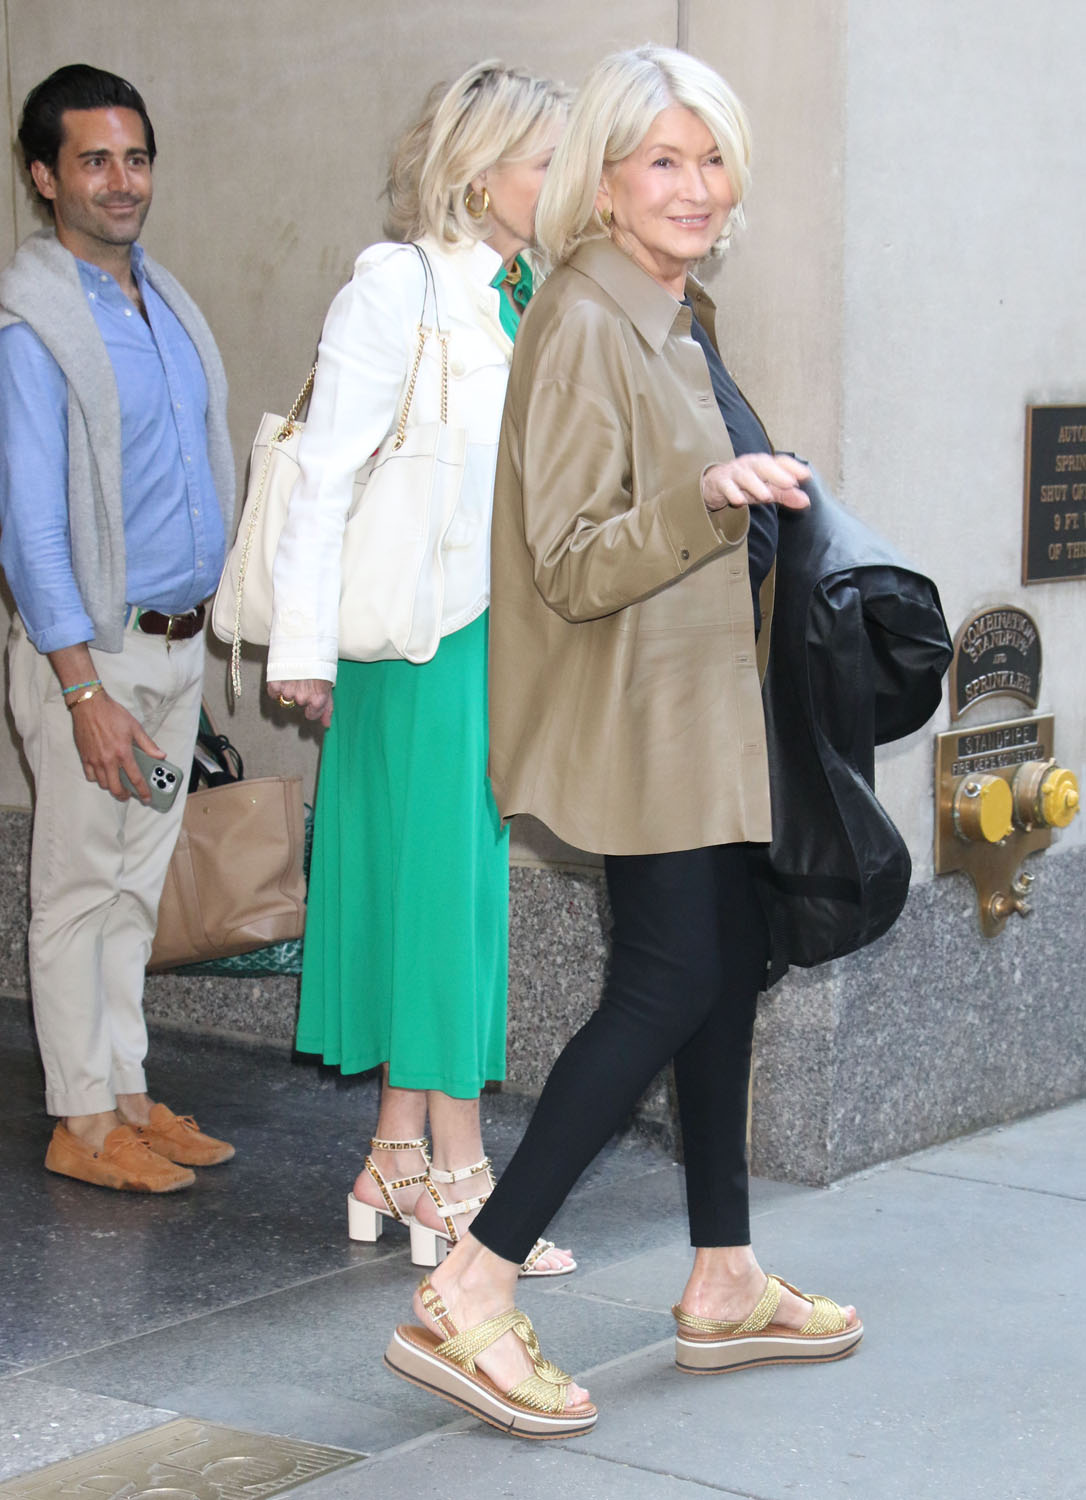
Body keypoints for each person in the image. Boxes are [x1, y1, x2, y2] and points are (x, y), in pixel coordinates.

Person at [383, 45, 863, 1440]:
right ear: (601, 180)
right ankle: (473, 1285)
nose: (696, 186)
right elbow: (572, 557)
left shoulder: (668, 307)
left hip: (704, 713)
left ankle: (723, 1276)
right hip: (643, 720)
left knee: (723, 970)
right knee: (667, 984)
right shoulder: (587, 316)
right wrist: (709, 495)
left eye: (712, 160)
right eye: (663, 159)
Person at [267, 63, 572, 1276]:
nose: (567, 181)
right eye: (548, 160)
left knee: (446, 897)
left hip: (495, 636)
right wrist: (302, 647)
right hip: (419, 640)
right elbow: (324, 473)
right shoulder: (399, 285)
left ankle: (395, 1156)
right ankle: (462, 1179)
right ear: (482, 169)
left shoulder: (527, 291)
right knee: (446, 903)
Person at [0, 65, 236, 1192]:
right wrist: (82, 691)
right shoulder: (31, 328)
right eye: (94, 160)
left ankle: (129, 1093)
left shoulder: (165, 305)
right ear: (45, 178)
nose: (122, 180)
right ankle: (81, 1118)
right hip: (92, 663)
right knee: (78, 889)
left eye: (135, 157)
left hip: (175, 652)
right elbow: (29, 528)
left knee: (137, 886)